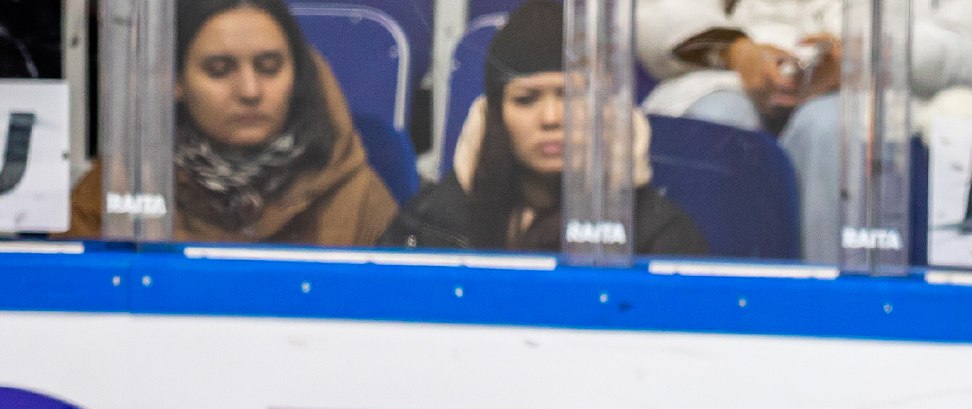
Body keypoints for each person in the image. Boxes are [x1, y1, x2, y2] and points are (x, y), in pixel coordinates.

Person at [637, 0, 972, 263]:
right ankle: (708, 313)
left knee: (831, 128)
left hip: (875, 90)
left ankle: (838, 315)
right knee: (717, 121)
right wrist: (735, 51)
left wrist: (863, 55)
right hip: (727, 78)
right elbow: (656, 13)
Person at [383, 0, 706, 256]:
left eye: (570, 96)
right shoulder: (430, 223)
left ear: (607, 112)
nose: (551, 118)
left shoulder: (659, 234)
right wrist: (454, 205)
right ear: (493, 118)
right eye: (526, 99)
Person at [66, 0, 398, 246]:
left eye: (269, 67)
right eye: (219, 69)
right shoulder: (123, 187)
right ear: (175, 81)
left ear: (297, 75)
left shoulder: (357, 196)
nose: (250, 91)